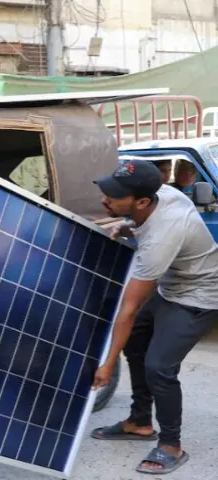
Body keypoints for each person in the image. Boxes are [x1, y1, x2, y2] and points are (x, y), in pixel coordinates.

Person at [89, 160, 218, 475]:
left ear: (142, 201)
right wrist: (127, 224)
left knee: (159, 366)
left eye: (114, 196)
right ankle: (140, 421)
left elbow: (129, 308)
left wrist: (107, 364)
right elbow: (144, 221)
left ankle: (171, 444)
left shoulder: (161, 239)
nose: (105, 200)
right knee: (135, 341)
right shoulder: (162, 195)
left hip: (200, 295)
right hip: (172, 285)